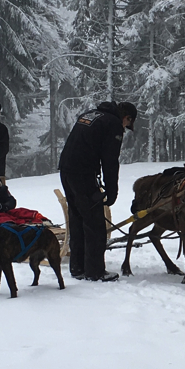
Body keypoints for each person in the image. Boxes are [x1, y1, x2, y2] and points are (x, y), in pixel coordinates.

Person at [58, 101, 137, 281]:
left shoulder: (91, 115)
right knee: (95, 224)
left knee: (77, 218)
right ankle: (95, 271)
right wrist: (112, 190)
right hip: (83, 173)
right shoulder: (113, 123)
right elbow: (110, 160)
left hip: (66, 170)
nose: (125, 128)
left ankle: (78, 267)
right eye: (127, 124)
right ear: (127, 118)